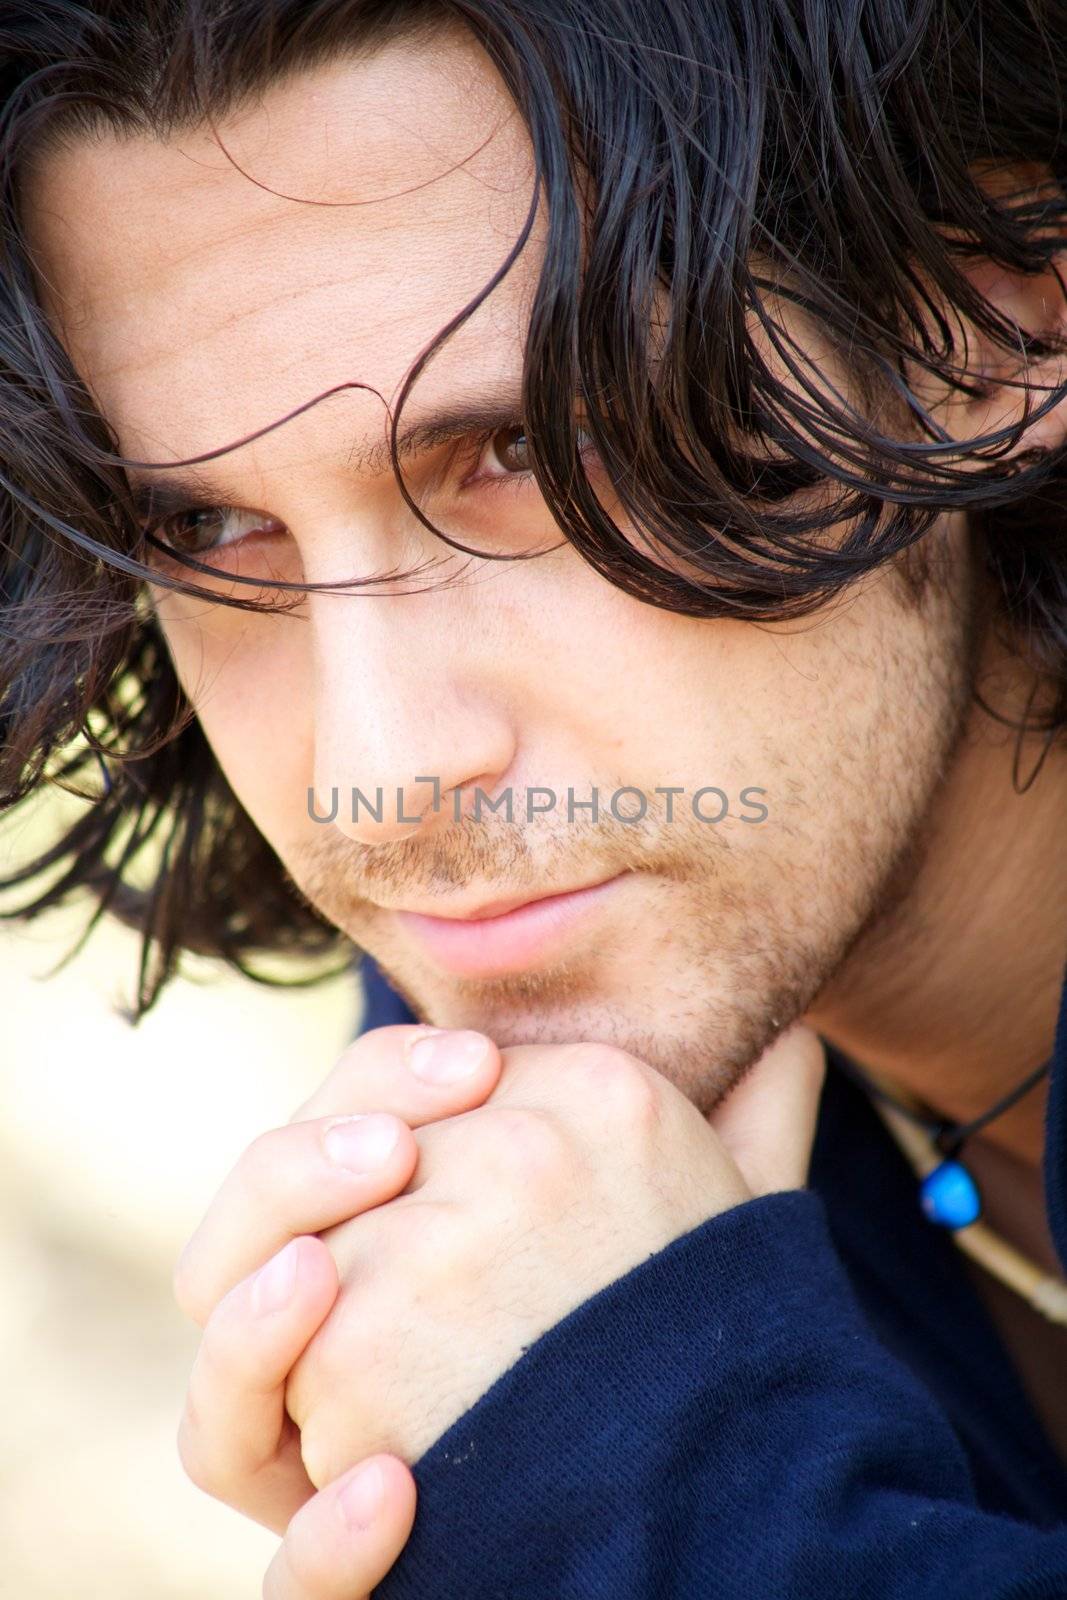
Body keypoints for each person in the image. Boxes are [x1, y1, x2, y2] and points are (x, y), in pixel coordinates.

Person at [2, 1, 1067, 1595]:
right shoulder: (541, 1043)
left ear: (995, 328)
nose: (385, 770)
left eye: (518, 450)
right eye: (216, 536)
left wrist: (645, 1483)